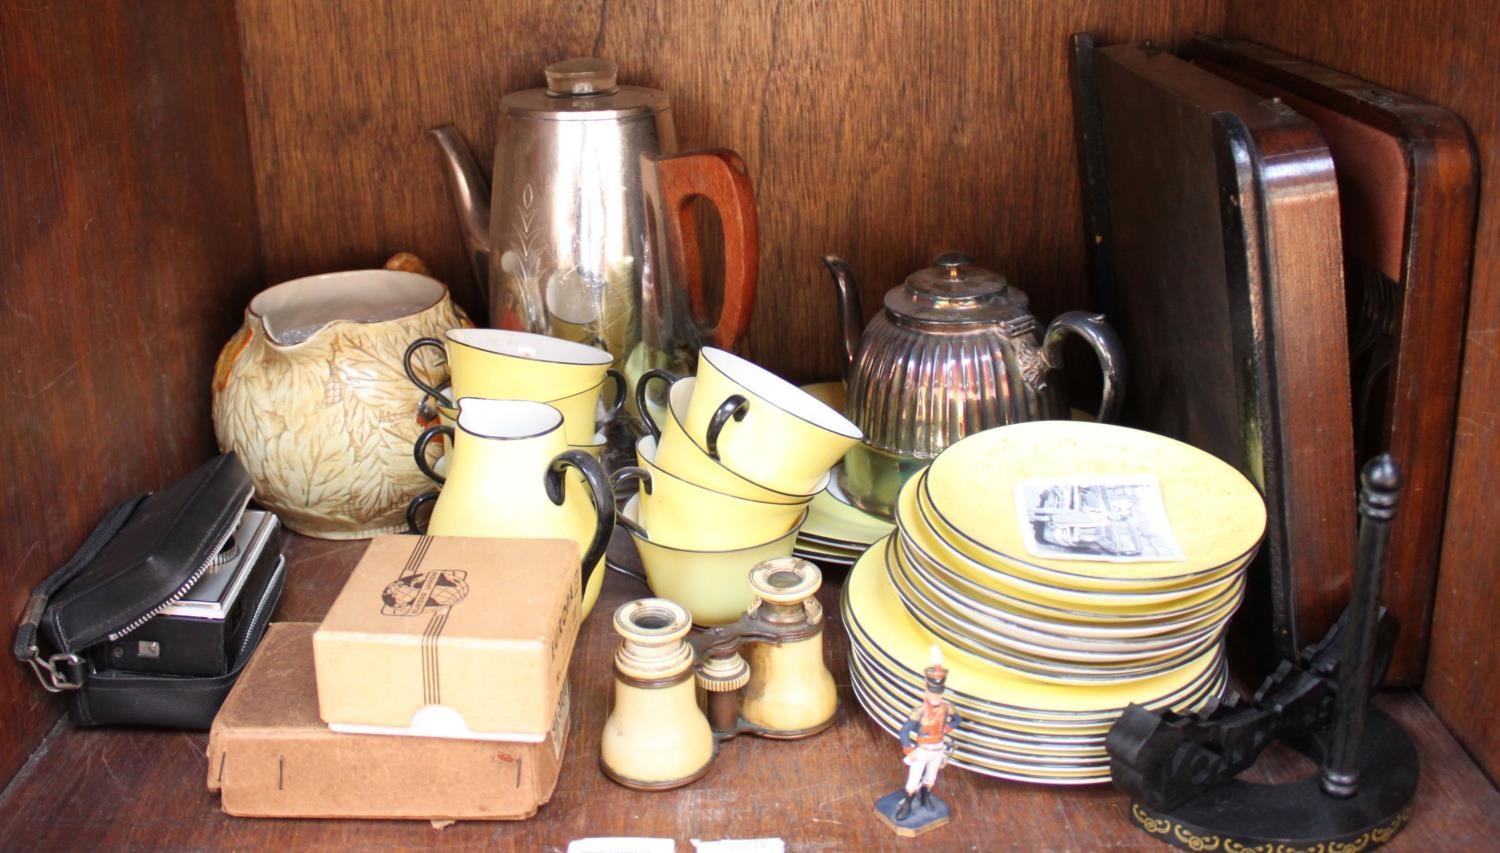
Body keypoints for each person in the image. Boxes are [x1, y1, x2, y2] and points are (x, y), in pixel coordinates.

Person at [893, 646, 961, 821]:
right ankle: (907, 803)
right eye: (933, 693)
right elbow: (905, 731)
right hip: (922, 748)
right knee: (914, 779)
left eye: (938, 694)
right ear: (927, 691)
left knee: (931, 777)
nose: (936, 697)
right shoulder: (920, 711)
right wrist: (909, 749)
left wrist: (945, 730)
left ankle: (926, 797)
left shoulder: (947, 707)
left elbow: (956, 720)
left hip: (938, 748)